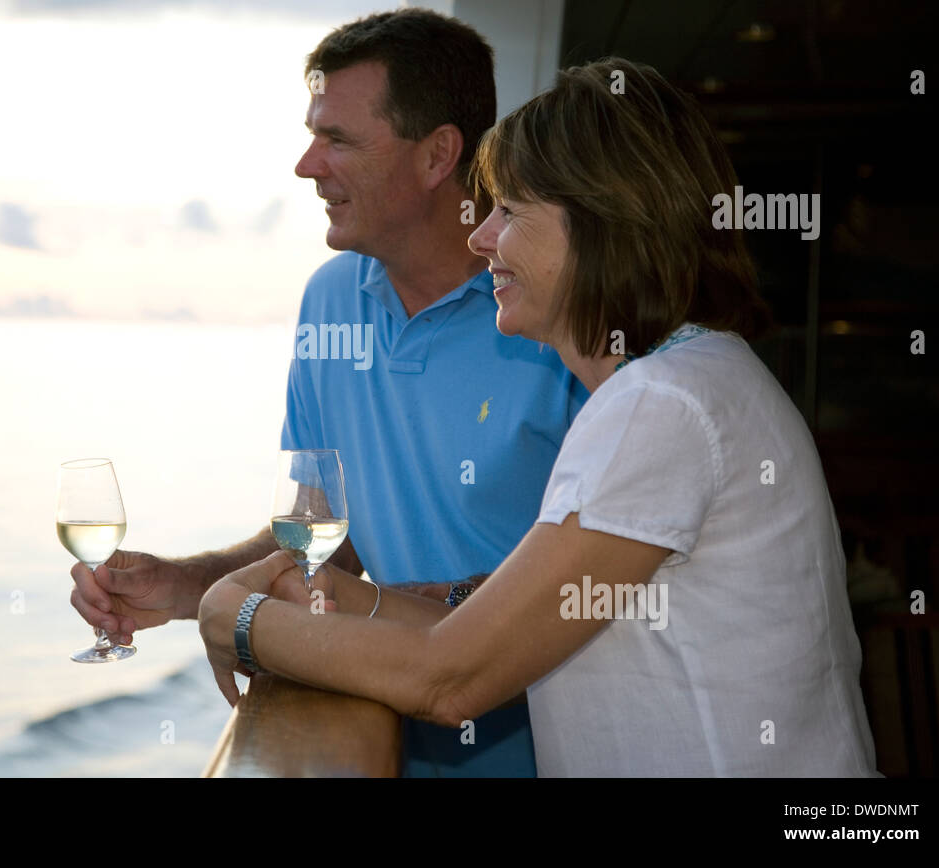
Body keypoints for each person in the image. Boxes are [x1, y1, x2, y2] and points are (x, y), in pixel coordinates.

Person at [198, 57, 880, 777]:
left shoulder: (662, 405)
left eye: (511, 211)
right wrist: (351, 598)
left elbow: (452, 678)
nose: (480, 237)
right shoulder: (686, 378)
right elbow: (504, 633)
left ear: (604, 226)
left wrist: (235, 619)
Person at [69, 8, 588, 777]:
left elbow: (602, 571)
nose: (307, 165)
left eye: (338, 139)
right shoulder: (331, 301)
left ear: (438, 154)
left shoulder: (553, 310)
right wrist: (181, 585)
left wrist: (396, 609)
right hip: (396, 746)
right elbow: (320, 538)